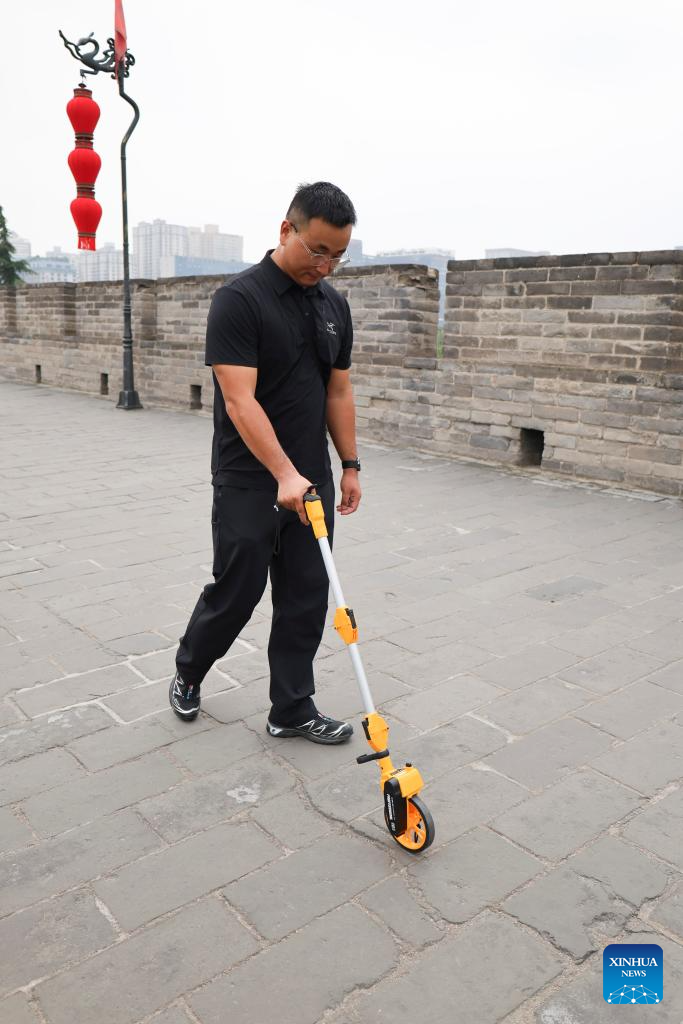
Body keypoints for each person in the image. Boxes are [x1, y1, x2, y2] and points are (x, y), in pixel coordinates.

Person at [169, 182, 362, 745]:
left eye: (338, 256)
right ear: (286, 231)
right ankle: (189, 670)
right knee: (238, 589)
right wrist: (282, 472)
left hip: (313, 480)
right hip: (251, 477)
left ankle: (292, 709)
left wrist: (349, 465)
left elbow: (339, 392)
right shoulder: (240, 300)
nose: (325, 266)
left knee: (306, 596)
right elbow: (239, 399)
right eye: (317, 250)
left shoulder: (334, 306)